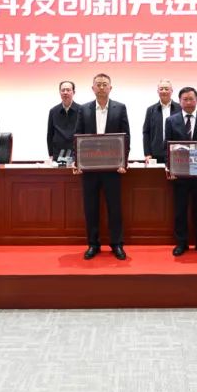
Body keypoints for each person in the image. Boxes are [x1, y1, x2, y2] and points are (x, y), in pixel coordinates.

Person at [74, 73, 131, 260]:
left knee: (114, 207)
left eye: (104, 84)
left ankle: (117, 244)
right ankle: (93, 244)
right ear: (92, 88)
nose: (101, 87)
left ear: (110, 88)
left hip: (113, 168)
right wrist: (78, 162)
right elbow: (77, 136)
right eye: (98, 84)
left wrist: (123, 162)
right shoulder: (84, 109)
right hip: (89, 168)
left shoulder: (120, 108)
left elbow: (126, 137)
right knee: (91, 208)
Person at [163, 87, 197, 257]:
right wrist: (170, 167)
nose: (188, 102)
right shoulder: (171, 121)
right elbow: (167, 146)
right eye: (185, 99)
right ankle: (181, 243)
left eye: (191, 99)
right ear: (179, 101)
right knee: (180, 210)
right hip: (179, 174)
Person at [142, 79, 181, 163]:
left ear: (171, 91)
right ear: (158, 91)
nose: (164, 91)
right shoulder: (151, 110)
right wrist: (147, 153)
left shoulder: (180, 108)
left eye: (166, 89)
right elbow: (146, 132)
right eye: (161, 89)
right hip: (156, 153)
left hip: (177, 153)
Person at [46, 80, 80, 161]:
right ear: (59, 92)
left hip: (76, 154)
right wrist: (51, 154)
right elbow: (50, 134)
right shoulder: (53, 111)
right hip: (58, 154)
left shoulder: (81, 110)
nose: (65, 92)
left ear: (73, 92)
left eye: (68, 90)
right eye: (63, 90)